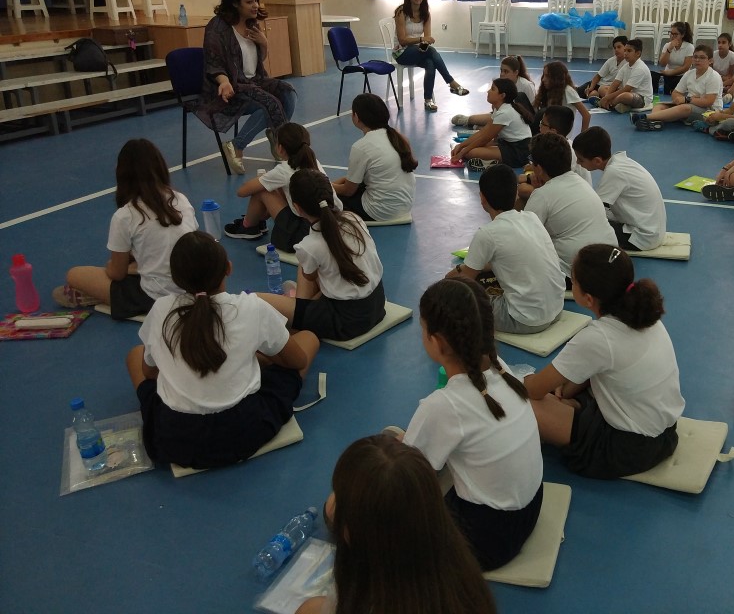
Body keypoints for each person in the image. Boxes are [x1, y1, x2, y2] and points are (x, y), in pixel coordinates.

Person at [125, 231, 319, 468]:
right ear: (228, 267)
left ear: (175, 278)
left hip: (177, 439)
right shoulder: (251, 307)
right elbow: (297, 361)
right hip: (245, 430)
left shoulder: (161, 310)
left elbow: (149, 373)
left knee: (135, 355)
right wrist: (259, 356)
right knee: (309, 339)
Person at [402, 278, 544, 571]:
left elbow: (404, 480)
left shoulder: (442, 406)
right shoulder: (500, 368)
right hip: (530, 510)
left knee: (388, 505)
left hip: (486, 540)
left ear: (436, 341)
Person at [525, 244, 684, 478]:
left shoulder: (597, 338)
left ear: (588, 299)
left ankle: (572, 412)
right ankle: (573, 408)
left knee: (521, 403)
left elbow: (533, 390)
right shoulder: (645, 317)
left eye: (573, 281)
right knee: (566, 388)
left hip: (628, 449)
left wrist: (524, 378)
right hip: (666, 433)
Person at [295, 435, 496, 614]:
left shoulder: (363, 597)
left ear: (353, 531)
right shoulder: (461, 576)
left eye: (341, 496)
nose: (332, 504)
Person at [54, 139, 198, 317]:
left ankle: (104, 296)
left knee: (74, 275)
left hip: (155, 296)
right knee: (134, 260)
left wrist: (111, 266)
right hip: (191, 286)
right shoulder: (180, 199)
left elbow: (117, 273)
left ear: (121, 173)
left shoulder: (125, 215)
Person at [258, 169, 386, 342]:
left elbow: (310, 277)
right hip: (376, 304)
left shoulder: (309, 246)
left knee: (255, 299)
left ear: (297, 208)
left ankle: (300, 315)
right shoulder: (353, 218)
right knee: (315, 263)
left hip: (346, 322)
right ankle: (302, 309)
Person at [448, 164, 564, 334]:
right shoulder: (531, 217)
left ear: (482, 198)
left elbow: (463, 280)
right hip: (556, 309)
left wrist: (451, 276)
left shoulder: (487, 234)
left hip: (523, 320)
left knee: (457, 296)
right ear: (516, 194)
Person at [201, 0, 296, 175]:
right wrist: (224, 81)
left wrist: (264, 43)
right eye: (249, 2)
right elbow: (213, 62)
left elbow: (258, 60)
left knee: (287, 93)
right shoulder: (217, 28)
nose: (255, 6)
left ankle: (276, 138)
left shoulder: (252, 24)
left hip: (254, 81)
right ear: (235, 3)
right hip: (231, 86)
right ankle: (237, 146)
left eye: (256, 1)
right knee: (268, 104)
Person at [524, 132, 617, 282]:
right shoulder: (581, 183)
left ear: (539, 169)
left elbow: (524, 237)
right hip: (613, 261)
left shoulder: (542, 195)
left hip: (578, 273)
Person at [223, 122, 331, 250]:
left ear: (280, 148)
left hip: (302, 234)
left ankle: (248, 226)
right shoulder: (313, 162)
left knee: (262, 190)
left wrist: (263, 179)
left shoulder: (284, 169)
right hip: (328, 224)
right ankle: (258, 221)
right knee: (277, 187)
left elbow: (241, 191)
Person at [573, 127, 667, 251]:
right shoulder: (621, 161)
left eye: (581, 160)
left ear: (597, 161)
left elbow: (593, 209)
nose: (578, 163)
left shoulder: (614, 172)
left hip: (642, 238)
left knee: (586, 225)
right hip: (653, 231)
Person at [333, 93, 417, 222]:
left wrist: (328, 187)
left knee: (330, 199)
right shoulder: (398, 137)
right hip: (404, 206)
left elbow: (348, 191)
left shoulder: (361, 146)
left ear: (356, 117)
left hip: (380, 211)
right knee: (351, 181)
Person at [392, 0, 470, 112]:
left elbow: (427, 40)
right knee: (431, 51)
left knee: (430, 63)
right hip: (401, 52)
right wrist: (422, 39)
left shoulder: (425, 14)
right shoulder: (401, 12)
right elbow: (403, 40)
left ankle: (428, 101)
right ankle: (451, 82)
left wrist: (424, 44)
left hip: (417, 51)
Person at [450, 78, 534, 170]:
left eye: (493, 89)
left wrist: (462, 152)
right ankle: (492, 160)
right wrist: (461, 145)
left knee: (470, 153)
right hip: (508, 144)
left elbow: (485, 138)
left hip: (519, 151)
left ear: (502, 95)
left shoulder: (505, 113)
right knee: (468, 149)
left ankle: (493, 163)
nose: (488, 91)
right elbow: (483, 132)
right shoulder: (500, 109)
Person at [633, 44, 722, 131]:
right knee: (660, 106)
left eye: (702, 58)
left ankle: (647, 117)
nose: (697, 60)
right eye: (695, 57)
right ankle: (656, 122)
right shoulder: (689, 73)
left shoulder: (713, 76)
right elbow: (675, 93)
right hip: (691, 104)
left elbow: (708, 101)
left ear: (710, 61)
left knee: (685, 108)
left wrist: (687, 99)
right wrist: (680, 100)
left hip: (709, 111)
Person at [530, 61, 590, 134]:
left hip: (558, 133)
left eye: (547, 76)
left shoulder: (568, 91)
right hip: (547, 129)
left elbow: (586, 115)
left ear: (556, 78)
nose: (543, 79)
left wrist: (582, 137)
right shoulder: (549, 90)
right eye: (544, 75)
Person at [599, 38, 653, 113]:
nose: (626, 53)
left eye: (629, 51)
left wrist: (607, 98)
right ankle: (620, 105)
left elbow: (627, 89)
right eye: (625, 50)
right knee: (602, 88)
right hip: (627, 93)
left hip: (642, 98)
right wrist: (606, 96)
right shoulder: (625, 66)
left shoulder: (640, 68)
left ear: (638, 53)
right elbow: (615, 83)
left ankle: (610, 104)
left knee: (624, 96)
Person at [651, 21, 694, 95]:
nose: (672, 36)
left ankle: (668, 89)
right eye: (671, 33)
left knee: (684, 81)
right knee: (651, 75)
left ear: (682, 35)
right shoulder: (667, 45)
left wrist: (670, 73)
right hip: (667, 75)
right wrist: (669, 49)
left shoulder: (689, 47)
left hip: (681, 76)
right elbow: (662, 64)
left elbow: (686, 67)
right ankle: (670, 90)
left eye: (675, 34)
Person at [579, 35, 627, 100]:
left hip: (610, 89)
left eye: (619, 47)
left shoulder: (628, 63)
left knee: (594, 94)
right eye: (614, 48)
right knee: (577, 92)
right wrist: (591, 87)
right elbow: (598, 76)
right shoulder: (611, 60)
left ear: (625, 47)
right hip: (599, 84)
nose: (616, 50)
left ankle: (604, 100)